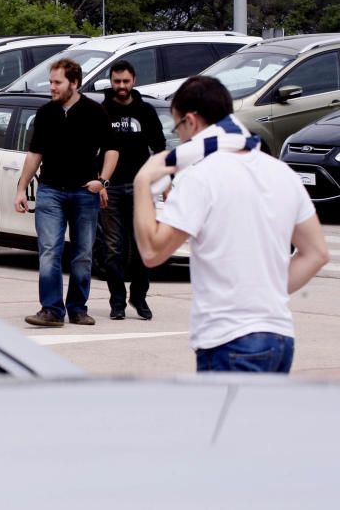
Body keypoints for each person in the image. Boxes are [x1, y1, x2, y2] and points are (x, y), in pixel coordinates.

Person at [133, 76, 329, 373]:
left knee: (227, 420)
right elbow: (316, 253)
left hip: (228, 340)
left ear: (191, 121)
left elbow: (152, 252)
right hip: (279, 336)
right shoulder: (280, 172)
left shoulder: (200, 175)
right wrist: (267, 294)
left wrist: (143, 182)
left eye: (177, 127)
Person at [14, 58, 118, 327]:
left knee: (83, 253)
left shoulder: (96, 112)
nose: (52, 87)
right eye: (50, 82)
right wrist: (21, 188)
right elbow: (35, 153)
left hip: (85, 193)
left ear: (74, 83)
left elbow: (112, 150)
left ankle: (77, 308)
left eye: (57, 82)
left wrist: (103, 182)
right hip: (50, 191)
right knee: (49, 250)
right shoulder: (46, 113)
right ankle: (51, 310)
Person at [99, 60, 167, 321]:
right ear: (111, 82)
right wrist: (99, 182)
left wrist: (166, 184)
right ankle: (117, 301)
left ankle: (139, 297)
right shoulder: (102, 111)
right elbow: (94, 151)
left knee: (142, 246)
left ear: (134, 81)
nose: (121, 86)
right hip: (111, 188)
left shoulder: (146, 111)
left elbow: (160, 150)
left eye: (126, 81)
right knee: (113, 248)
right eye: (117, 82)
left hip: (142, 188)